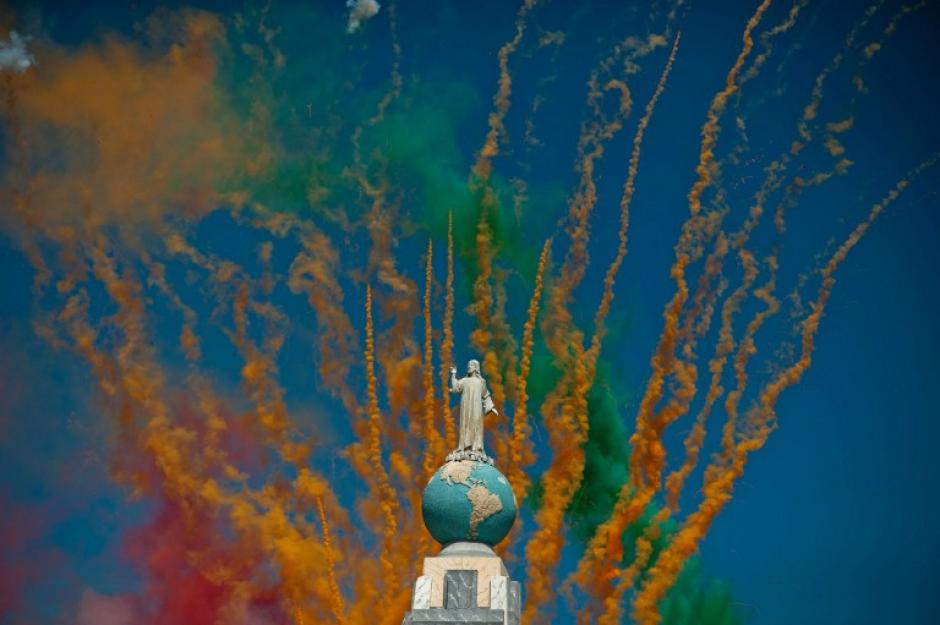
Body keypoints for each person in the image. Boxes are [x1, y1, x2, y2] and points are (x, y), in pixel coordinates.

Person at [449, 359, 497, 453]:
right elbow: (456, 388)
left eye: (470, 365)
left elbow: (485, 395)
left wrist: (491, 408)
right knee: (465, 423)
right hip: (466, 406)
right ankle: (465, 447)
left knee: (476, 423)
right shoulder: (464, 381)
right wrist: (454, 374)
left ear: (475, 368)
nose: (468, 367)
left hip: (476, 407)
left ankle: (476, 447)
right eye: (468, 365)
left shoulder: (481, 382)